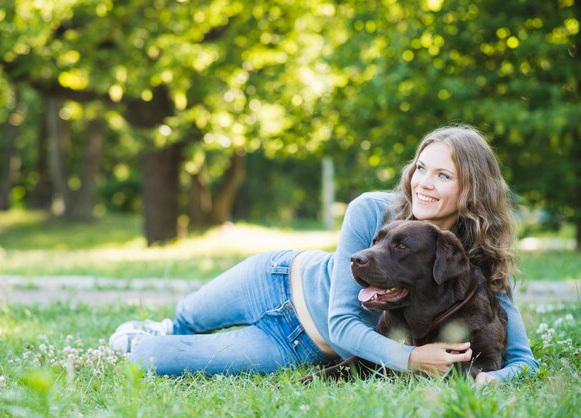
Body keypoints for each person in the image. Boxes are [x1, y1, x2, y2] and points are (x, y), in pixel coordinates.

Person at [109, 124, 539, 386]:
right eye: (421, 168)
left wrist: (492, 381)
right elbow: (343, 321)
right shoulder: (373, 210)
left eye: (443, 175)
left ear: (472, 190)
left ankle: (145, 340)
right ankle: (158, 325)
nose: (423, 182)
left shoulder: (481, 259)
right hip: (276, 278)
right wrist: (410, 359)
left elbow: (522, 360)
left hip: (295, 345)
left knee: (151, 358)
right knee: (185, 321)